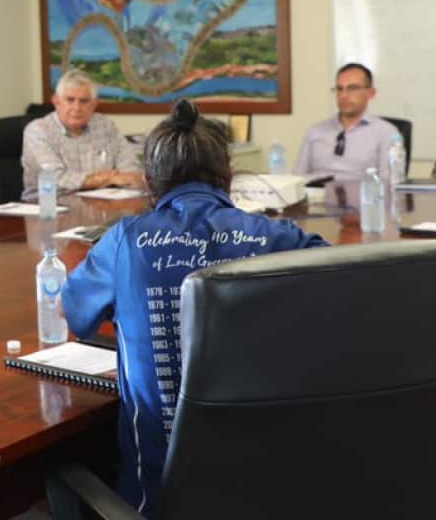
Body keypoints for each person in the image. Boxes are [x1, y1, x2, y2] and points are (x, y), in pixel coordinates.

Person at [53, 100, 327, 520]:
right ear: (228, 175)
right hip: (275, 488)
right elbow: (346, 295)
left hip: (157, 502)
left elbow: (73, 314)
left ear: (149, 180)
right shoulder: (279, 237)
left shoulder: (126, 241)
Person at [21, 69, 142, 200]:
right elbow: (57, 179)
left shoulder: (106, 126)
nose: (77, 108)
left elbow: (131, 170)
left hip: (101, 206)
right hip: (49, 208)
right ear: (56, 102)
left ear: (94, 104)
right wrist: (110, 178)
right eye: (70, 100)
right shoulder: (38, 130)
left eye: (84, 101)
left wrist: (120, 179)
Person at [294, 62, 400, 181]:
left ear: (371, 93)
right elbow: (298, 178)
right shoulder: (315, 131)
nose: (343, 95)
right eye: (339, 89)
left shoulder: (386, 133)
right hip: (317, 197)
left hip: (361, 197)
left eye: (352, 88)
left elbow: (388, 184)